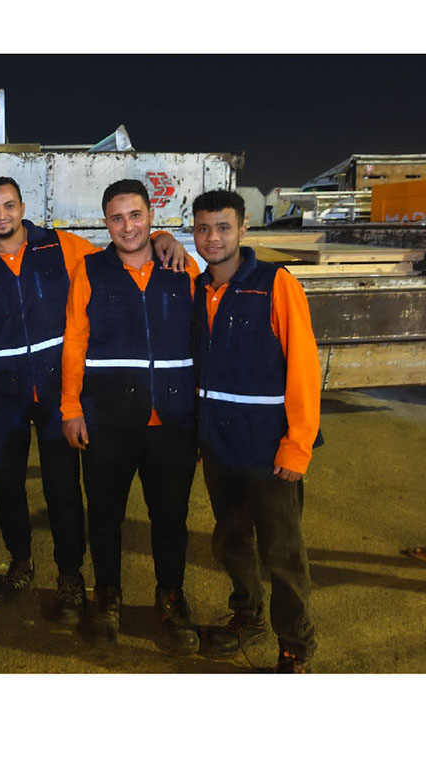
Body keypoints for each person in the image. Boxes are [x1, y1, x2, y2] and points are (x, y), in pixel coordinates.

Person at [0, 176, 188, 625]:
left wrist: (162, 237)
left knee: (62, 488)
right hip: (3, 398)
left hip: (55, 394)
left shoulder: (62, 247)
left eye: (9, 205)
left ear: (23, 208)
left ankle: (70, 576)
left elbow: (123, 248)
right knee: (7, 486)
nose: (1, 215)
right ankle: (20, 562)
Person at [61, 180, 200, 651]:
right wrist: (71, 407)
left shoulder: (182, 268)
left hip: (173, 422)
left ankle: (171, 598)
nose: (127, 227)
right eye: (117, 218)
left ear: (151, 215)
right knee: (104, 517)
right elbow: (75, 340)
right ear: (106, 223)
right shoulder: (90, 270)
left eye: (136, 215)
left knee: (171, 519)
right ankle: (107, 596)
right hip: (108, 420)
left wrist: (199, 414)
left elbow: (200, 339)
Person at [191, 190, 321, 673]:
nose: (213, 238)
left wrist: (298, 445)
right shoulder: (198, 289)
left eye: (224, 227)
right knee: (230, 541)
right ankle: (248, 614)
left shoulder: (275, 284)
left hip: (268, 449)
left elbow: (304, 368)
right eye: (203, 228)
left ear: (243, 229)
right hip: (220, 446)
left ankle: (295, 646)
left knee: (281, 554)